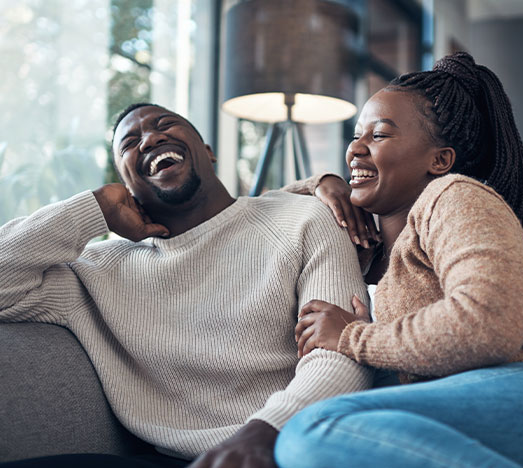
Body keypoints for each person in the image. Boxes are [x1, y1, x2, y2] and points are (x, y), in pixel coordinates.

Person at [0, 103, 373, 468]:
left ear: (207, 151)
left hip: (288, 443)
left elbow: (342, 354)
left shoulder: (303, 218)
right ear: (125, 183)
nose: (148, 139)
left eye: (165, 123)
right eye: (130, 143)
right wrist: (94, 207)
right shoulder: (98, 271)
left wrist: (265, 432)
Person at [274, 52, 523, 468]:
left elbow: (490, 323)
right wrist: (324, 184)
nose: (355, 148)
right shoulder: (357, 244)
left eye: (380, 135)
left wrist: (354, 337)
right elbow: (257, 213)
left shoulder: (456, 197)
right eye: (356, 135)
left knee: (312, 430)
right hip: (469, 411)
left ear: (440, 160)